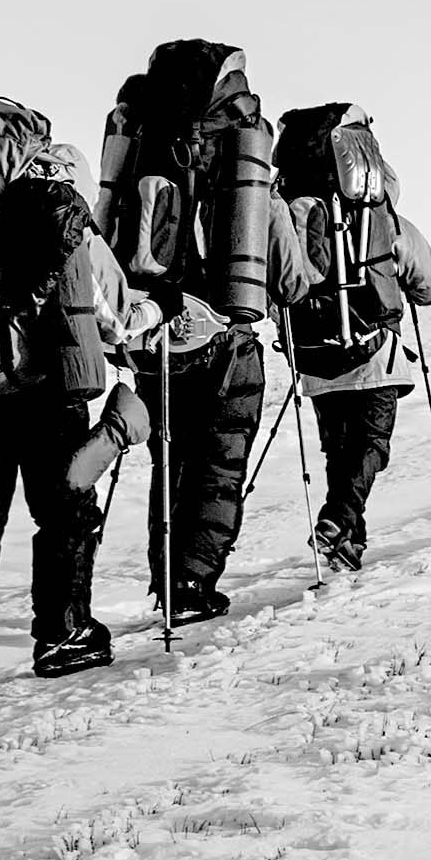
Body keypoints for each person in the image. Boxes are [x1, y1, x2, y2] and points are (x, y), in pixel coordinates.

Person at [0, 99, 151, 687]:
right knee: (66, 513)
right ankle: (64, 634)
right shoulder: (51, 205)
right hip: (45, 393)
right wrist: (153, 313)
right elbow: (110, 312)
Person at [98, 41, 317, 628]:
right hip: (225, 328)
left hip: (152, 329)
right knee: (218, 460)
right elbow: (292, 277)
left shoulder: (143, 141)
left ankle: (166, 580)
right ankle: (191, 581)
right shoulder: (244, 154)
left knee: (167, 458)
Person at [271, 101, 431, 573]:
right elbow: (430, 288)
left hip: (313, 353)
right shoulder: (380, 218)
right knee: (371, 445)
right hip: (374, 350)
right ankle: (337, 521)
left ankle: (349, 543)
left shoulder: (286, 211)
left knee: (339, 451)